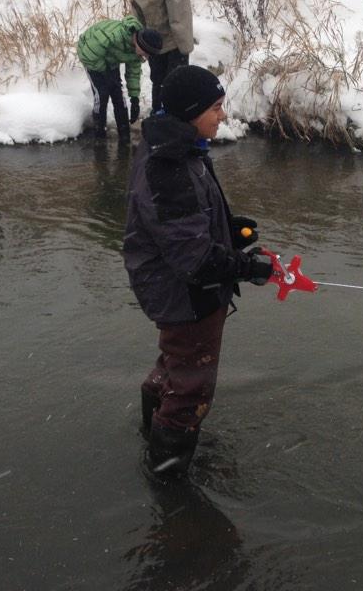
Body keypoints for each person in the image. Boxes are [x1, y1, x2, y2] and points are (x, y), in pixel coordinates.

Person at [123, 65, 273, 479]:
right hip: (186, 294)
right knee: (192, 388)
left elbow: (188, 223)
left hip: (179, 288)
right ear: (191, 112)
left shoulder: (181, 146)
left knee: (178, 362)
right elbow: (194, 260)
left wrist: (231, 229)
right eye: (216, 108)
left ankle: (153, 429)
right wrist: (248, 267)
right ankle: (169, 484)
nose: (222, 116)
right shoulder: (169, 166)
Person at [115, 0, 194, 115]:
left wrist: (184, 46)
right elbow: (137, 16)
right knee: (157, 81)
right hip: (155, 44)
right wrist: (141, 43)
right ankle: (157, 113)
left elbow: (180, 11)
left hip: (174, 42)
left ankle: (177, 117)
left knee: (176, 82)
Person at [76, 16, 162, 141]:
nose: (145, 57)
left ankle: (125, 136)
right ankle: (99, 137)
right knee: (102, 94)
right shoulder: (113, 36)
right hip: (91, 56)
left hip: (110, 59)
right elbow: (88, 54)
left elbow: (133, 73)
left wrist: (134, 99)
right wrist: (105, 71)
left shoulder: (136, 53)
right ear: (140, 45)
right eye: (146, 54)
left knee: (118, 96)